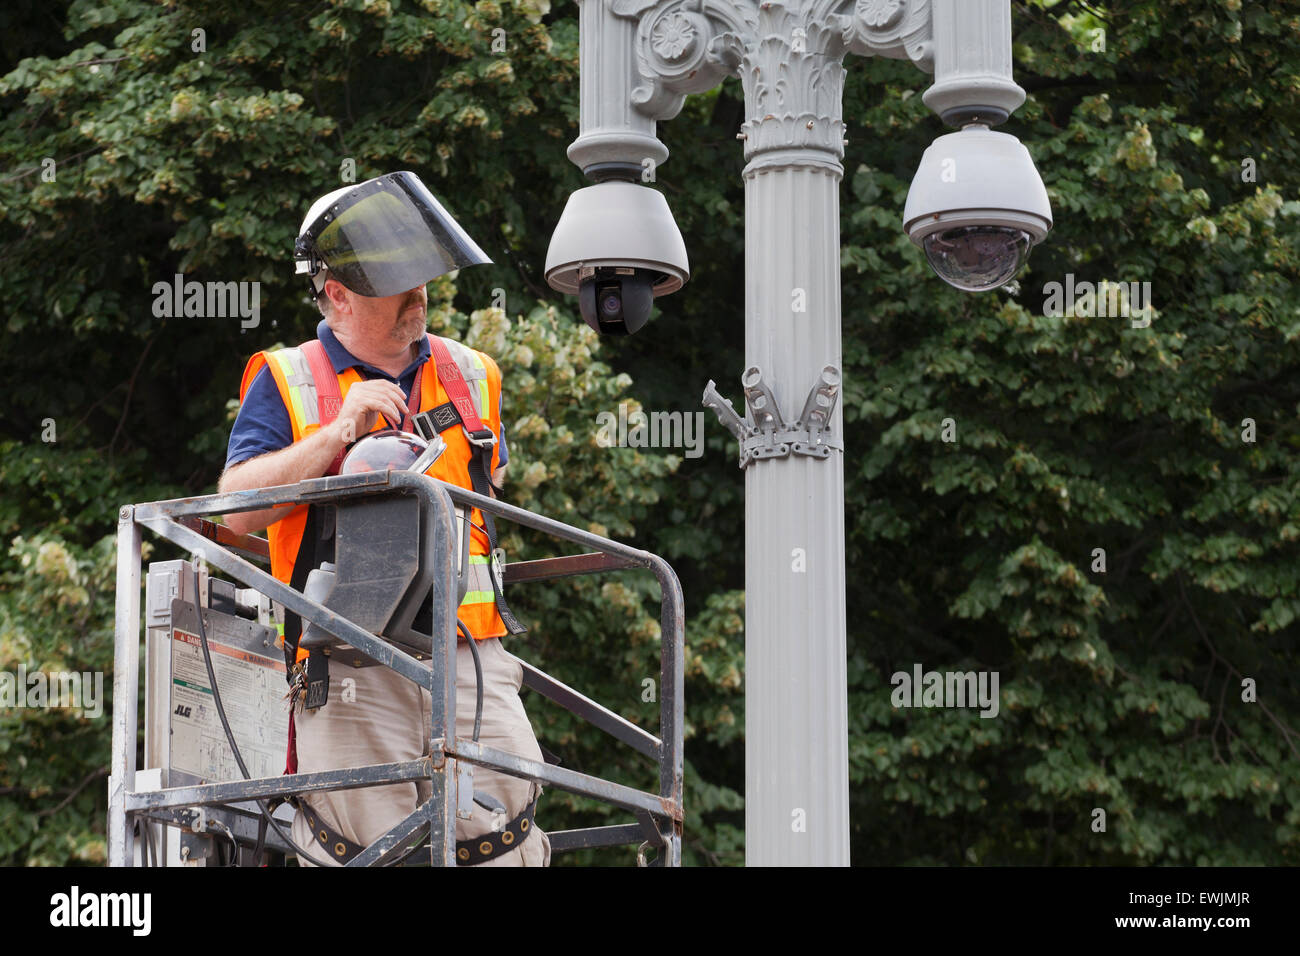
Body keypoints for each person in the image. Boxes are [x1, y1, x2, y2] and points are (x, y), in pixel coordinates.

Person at [218, 171, 549, 866]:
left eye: (421, 277)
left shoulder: (472, 374)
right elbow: (234, 511)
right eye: (394, 283)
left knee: (509, 833)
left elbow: (488, 490)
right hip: (349, 663)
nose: (418, 296)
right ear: (335, 294)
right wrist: (338, 434)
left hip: (471, 654)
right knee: (367, 844)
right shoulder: (290, 378)